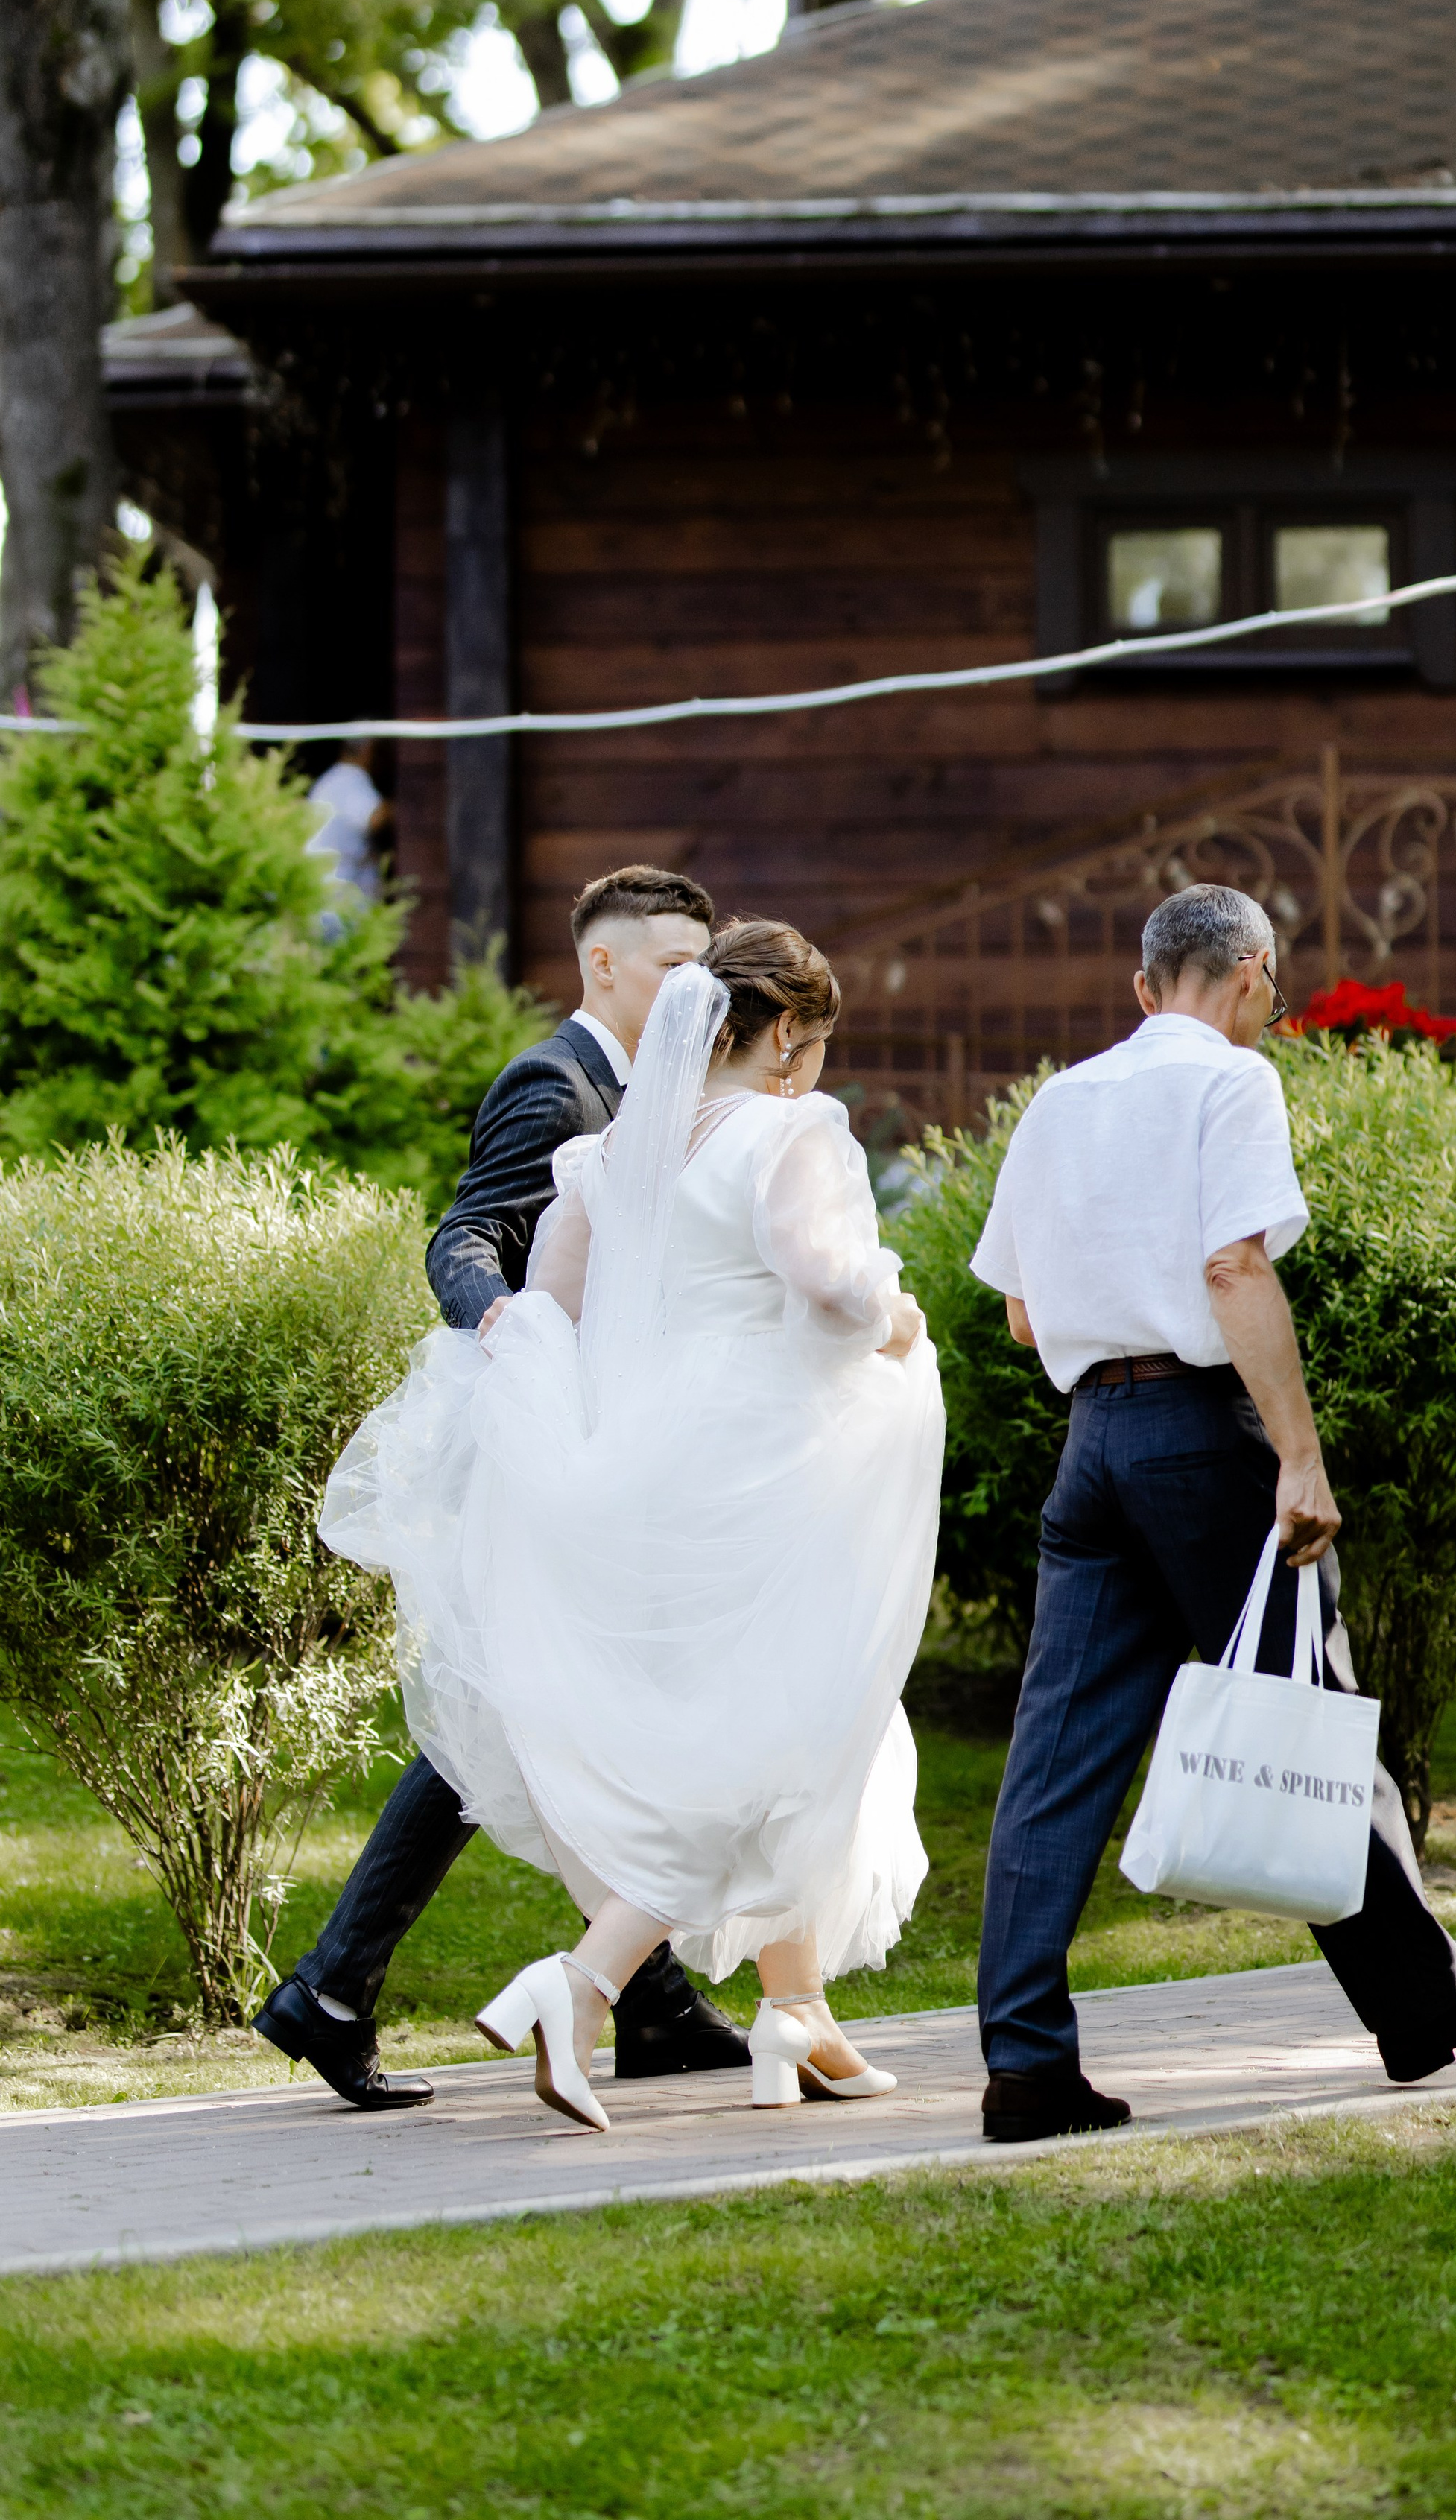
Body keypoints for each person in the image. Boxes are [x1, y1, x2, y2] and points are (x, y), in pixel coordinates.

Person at [320, 921, 945, 2132]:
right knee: (773, 1737)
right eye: (812, 1045)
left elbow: (548, 1312)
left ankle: (795, 2013)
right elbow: (825, 1282)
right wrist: (898, 1315)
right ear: (781, 1041)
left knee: (774, 1722)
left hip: (651, 1472)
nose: (812, 1070)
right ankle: (582, 1984)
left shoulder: (610, 1164)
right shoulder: (790, 1132)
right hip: (769, 1470)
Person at [967, 881, 1456, 2144]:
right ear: (1250, 975)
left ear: (1142, 988)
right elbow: (1235, 1265)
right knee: (1315, 1715)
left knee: (1054, 1761)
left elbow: (1021, 1316)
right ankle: (1425, 2006)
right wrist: (1297, 1452)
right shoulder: (1231, 1084)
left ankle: (1025, 2064)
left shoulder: (1061, 1101)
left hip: (1092, 1447)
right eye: (1271, 994)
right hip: (1198, 1436)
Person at [255, 864, 750, 2106]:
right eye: (673, 964)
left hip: (610, 1453)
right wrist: (513, 1333)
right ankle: (348, 1991)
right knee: (513, 1718)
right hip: (544, 1446)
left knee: (531, 1718)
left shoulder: (661, 1094)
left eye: (706, 963)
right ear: (604, 967)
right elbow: (465, 1234)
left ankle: (615, 2001)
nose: (696, 986)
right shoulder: (557, 1082)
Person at [308, 741, 391, 911]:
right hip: (339, 891)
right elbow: (374, 818)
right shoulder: (350, 777)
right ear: (368, 751)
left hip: (327, 886)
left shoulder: (333, 779)